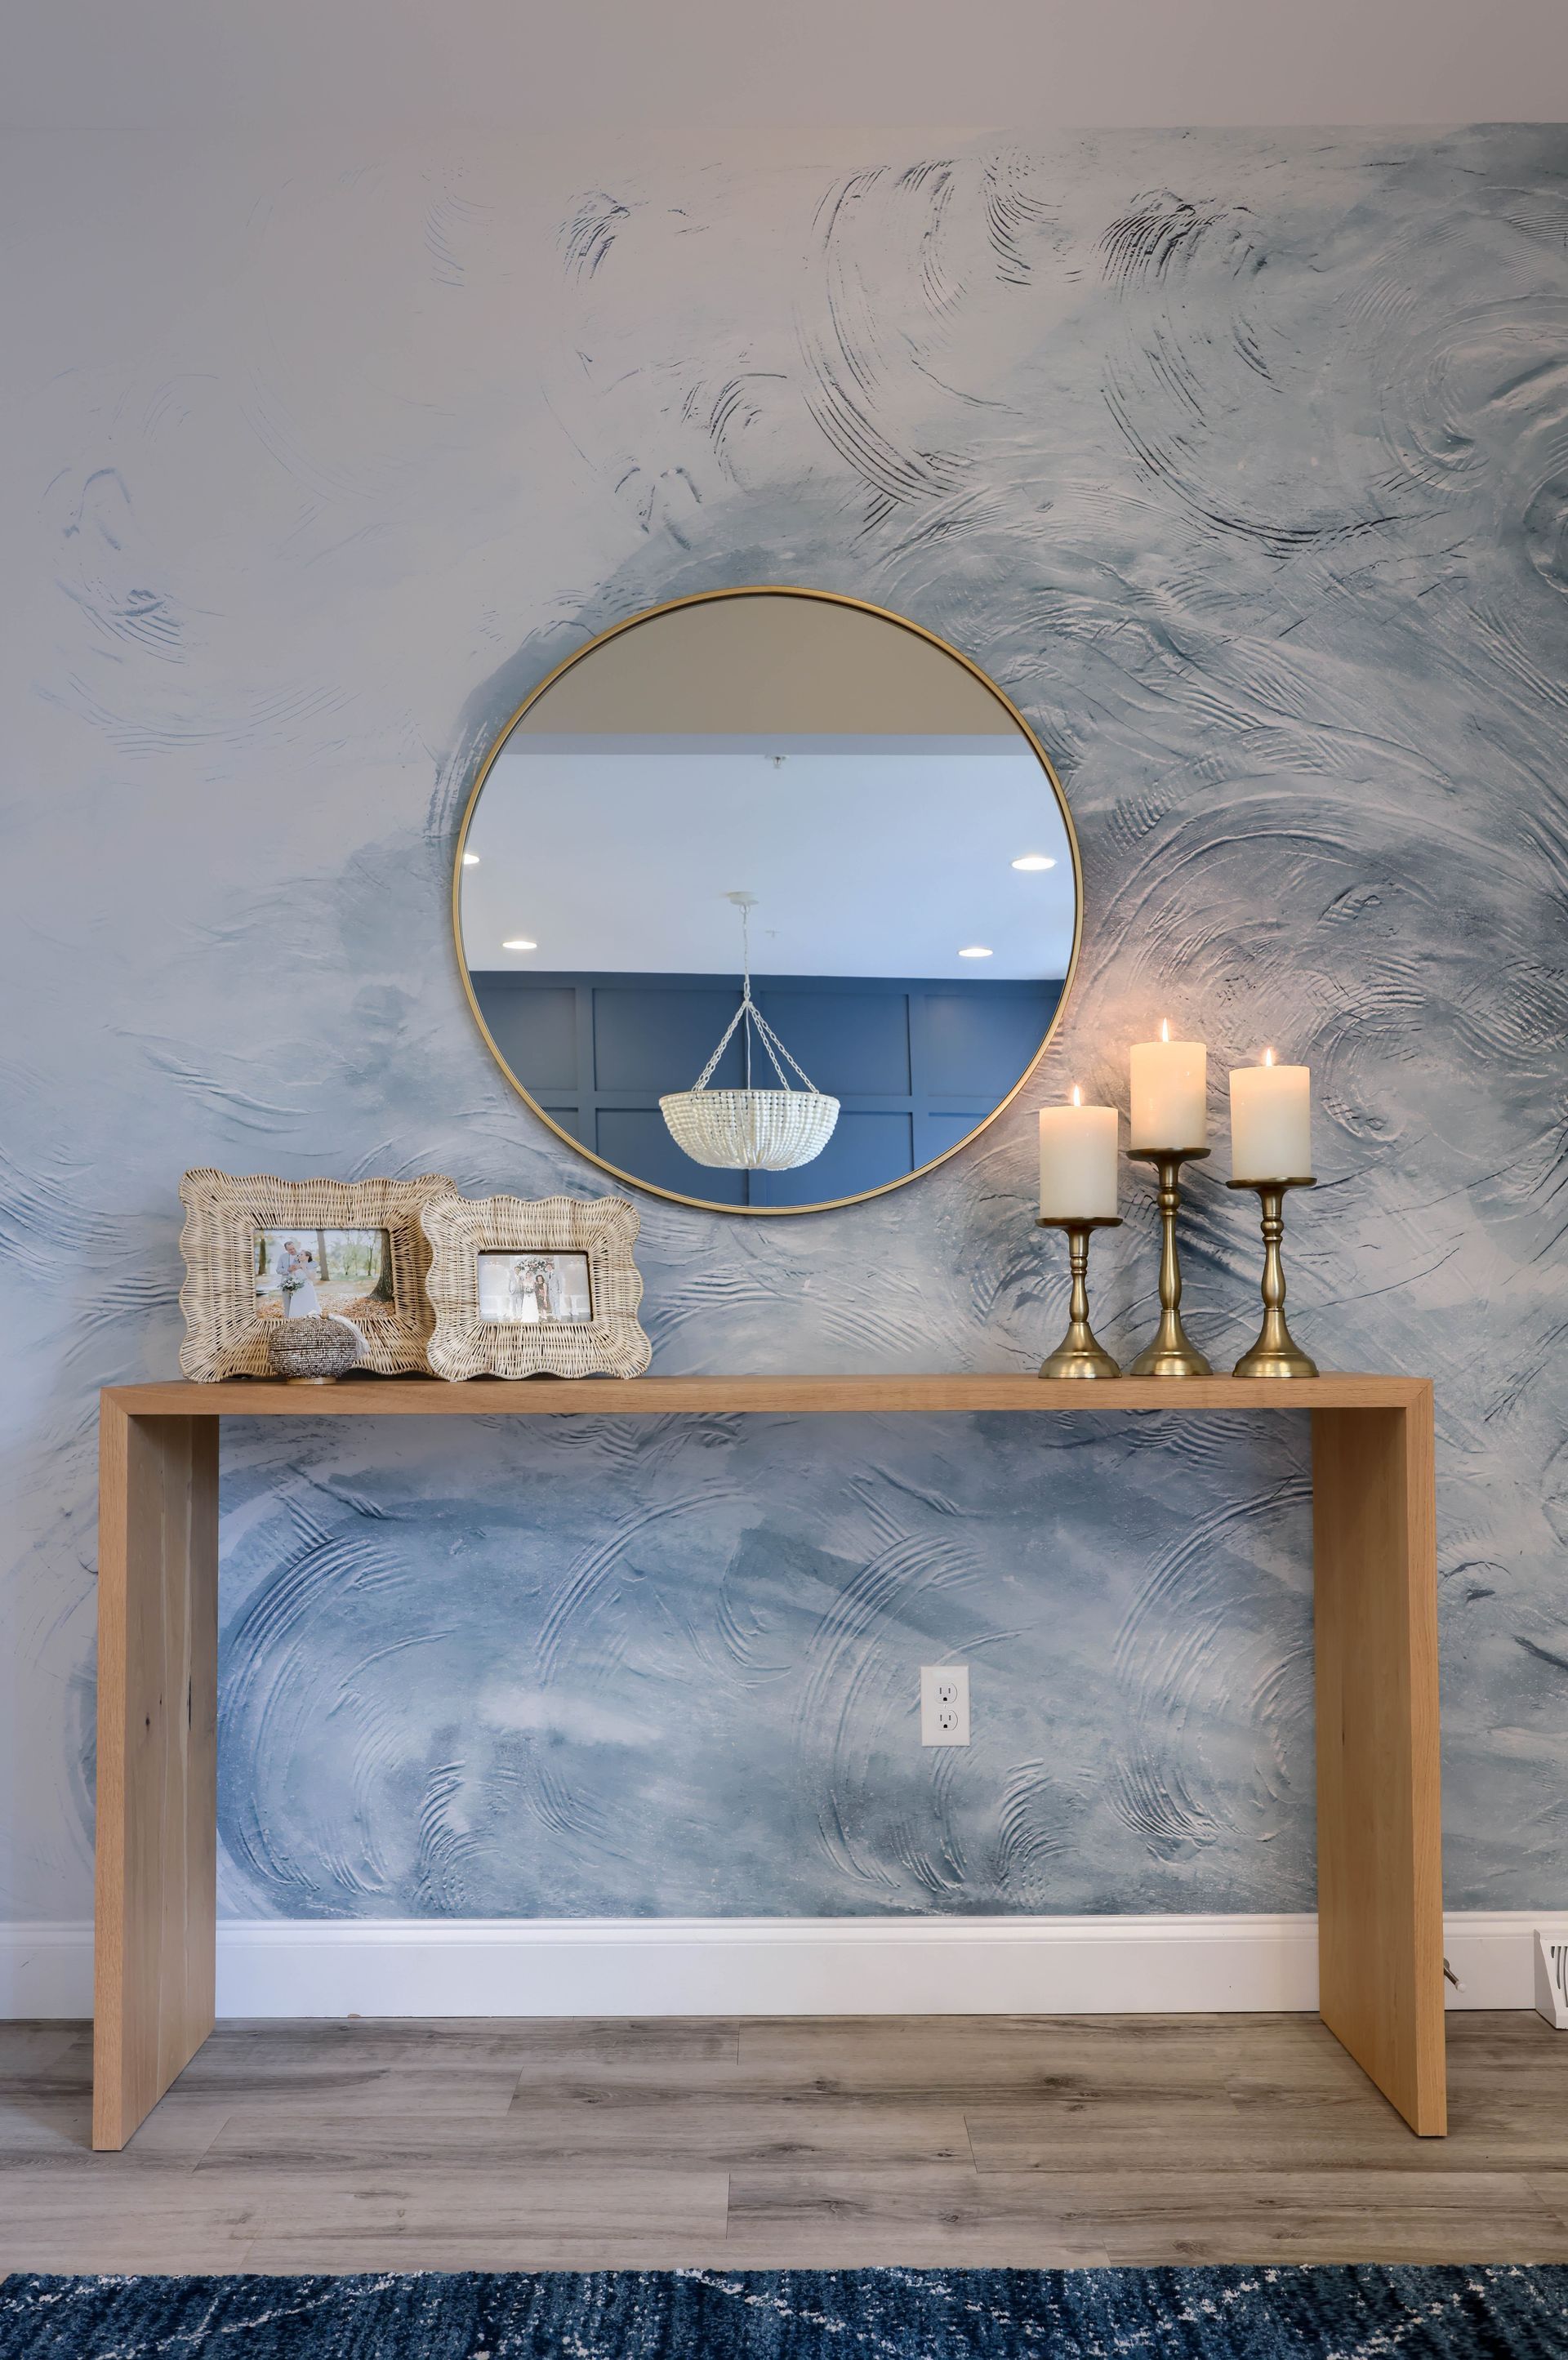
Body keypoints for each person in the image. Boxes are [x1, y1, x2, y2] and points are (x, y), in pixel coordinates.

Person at [278, 1239, 321, 1317]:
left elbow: (313, 1264)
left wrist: (302, 1267)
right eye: (290, 1249)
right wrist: (288, 1270)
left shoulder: (301, 1255)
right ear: (286, 1249)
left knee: (303, 1303)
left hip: (301, 1284)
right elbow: (278, 1270)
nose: (292, 1250)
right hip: (286, 1283)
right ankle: (289, 1320)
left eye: (293, 1248)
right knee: (288, 1304)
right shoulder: (282, 1257)